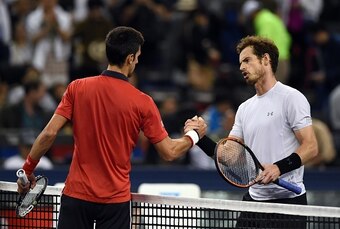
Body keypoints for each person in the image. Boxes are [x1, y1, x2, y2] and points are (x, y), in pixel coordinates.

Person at [16, 26, 206, 229]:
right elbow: (169, 152)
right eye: (138, 57)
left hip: (77, 197)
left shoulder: (77, 87)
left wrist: (26, 171)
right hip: (115, 203)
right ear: (130, 58)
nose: (138, 61)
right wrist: (194, 135)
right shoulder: (143, 102)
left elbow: (49, 133)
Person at [186, 35, 318, 228]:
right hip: (254, 204)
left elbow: (311, 147)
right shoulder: (244, 109)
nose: (241, 67)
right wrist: (200, 138)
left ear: (266, 59)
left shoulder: (291, 98)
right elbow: (228, 157)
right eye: (240, 63)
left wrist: (278, 167)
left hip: (289, 203)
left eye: (247, 60)